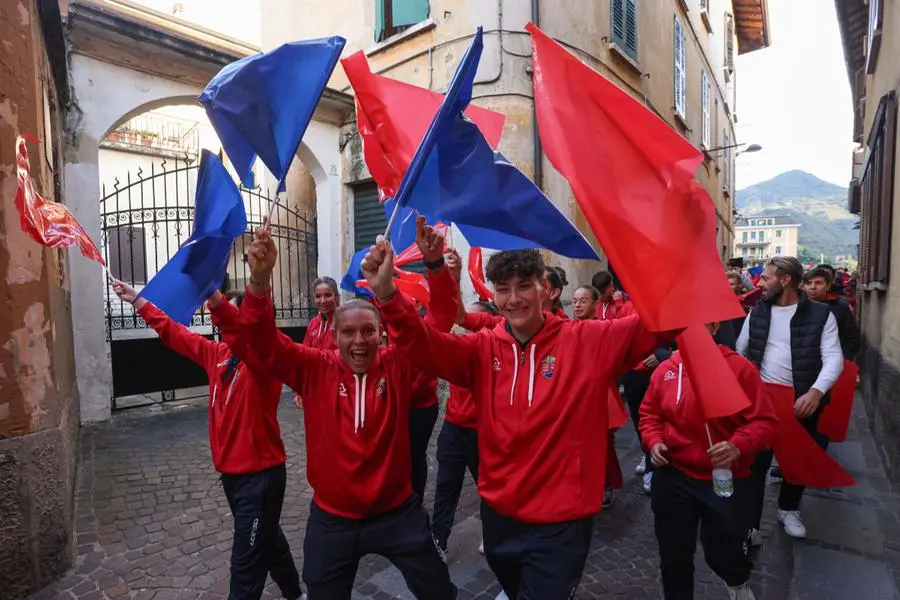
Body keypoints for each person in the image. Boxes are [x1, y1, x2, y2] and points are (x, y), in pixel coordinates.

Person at [365, 218, 667, 599]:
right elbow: (423, 344)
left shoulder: (587, 340)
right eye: (504, 289)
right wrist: (388, 294)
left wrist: (670, 247)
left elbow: (658, 322)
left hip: (562, 521)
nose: (514, 298)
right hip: (499, 517)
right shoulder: (482, 349)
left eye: (525, 286)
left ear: (545, 289)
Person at [236, 226, 457, 599]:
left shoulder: (398, 364)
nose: (359, 342)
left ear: (382, 333)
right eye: (349, 333)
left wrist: (431, 267)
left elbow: (439, 321)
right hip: (333, 518)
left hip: (398, 513)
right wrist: (258, 281)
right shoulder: (314, 367)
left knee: (439, 592)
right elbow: (260, 341)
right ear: (334, 336)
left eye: (368, 331)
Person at [111, 281, 304, 600]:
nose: (236, 325)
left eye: (241, 318)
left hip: (261, 476)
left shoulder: (265, 362)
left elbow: (248, 334)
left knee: (246, 563)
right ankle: (295, 594)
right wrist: (138, 301)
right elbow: (174, 334)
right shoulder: (216, 354)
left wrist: (215, 298)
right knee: (266, 537)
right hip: (232, 476)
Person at [640, 322, 777, 600]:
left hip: (724, 479)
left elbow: (764, 422)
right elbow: (649, 416)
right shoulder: (665, 370)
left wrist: (738, 445)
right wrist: (654, 442)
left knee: (724, 551)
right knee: (673, 553)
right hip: (674, 476)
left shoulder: (739, 369)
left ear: (714, 326)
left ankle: (737, 581)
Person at [737, 257, 844, 540]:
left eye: (766, 277)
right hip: (762, 401)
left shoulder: (822, 315)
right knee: (755, 464)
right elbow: (741, 350)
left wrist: (815, 392)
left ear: (785, 280)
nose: (759, 283)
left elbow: (834, 357)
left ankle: (789, 508)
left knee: (796, 460)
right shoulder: (757, 311)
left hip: (802, 403)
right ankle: (750, 523)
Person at [431, 259, 499, 557]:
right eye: (464, 324)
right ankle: (439, 540)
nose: (464, 327)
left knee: (489, 488)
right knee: (446, 486)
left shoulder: (495, 348)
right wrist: (451, 277)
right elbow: (444, 320)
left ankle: (492, 531)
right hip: (453, 427)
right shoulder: (457, 349)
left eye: (473, 323)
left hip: (484, 432)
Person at [572, 284, 622, 508]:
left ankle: (606, 484)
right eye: (574, 300)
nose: (577, 304)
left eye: (583, 300)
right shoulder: (568, 327)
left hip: (601, 393)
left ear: (595, 304)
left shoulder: (604, 328)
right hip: (575, 394)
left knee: (603, 443)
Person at [803, 266, 861, 361]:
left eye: (818, 283)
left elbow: (852, 338)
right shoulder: (797, 307)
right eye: (809, 283)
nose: (813, 287)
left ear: (828, 286)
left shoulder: (840, 307)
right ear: (804, 286)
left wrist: (841, 359)